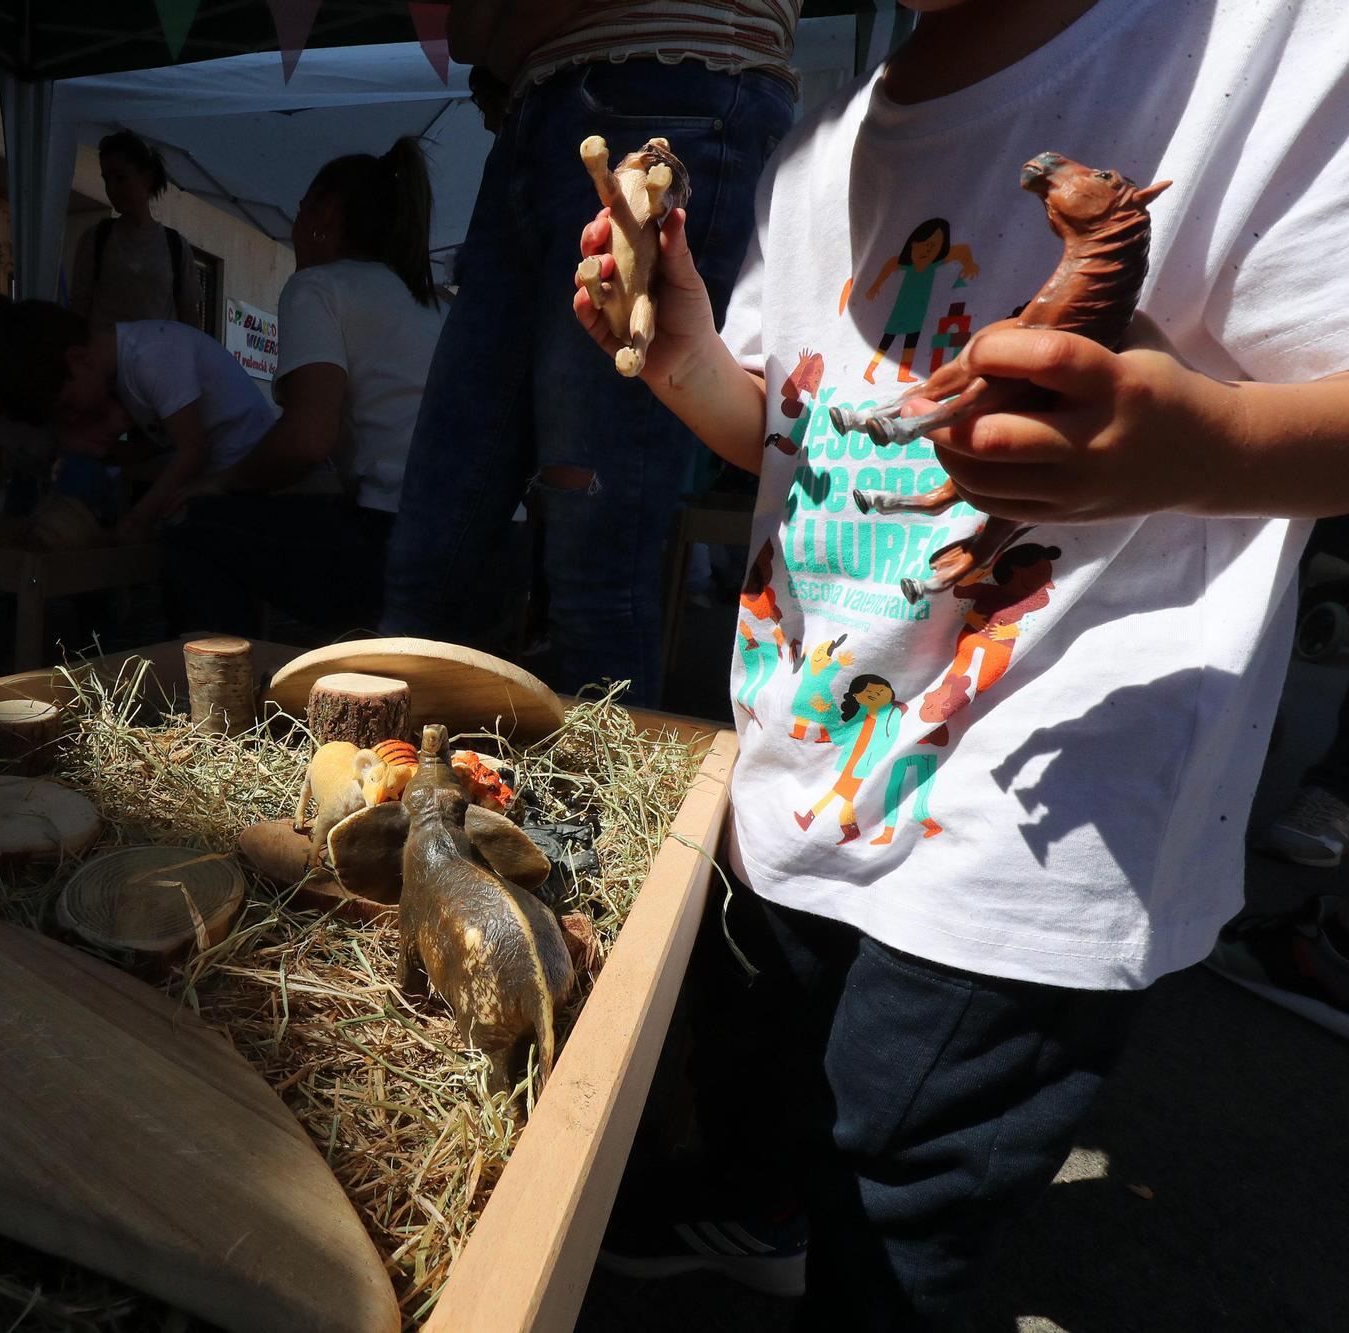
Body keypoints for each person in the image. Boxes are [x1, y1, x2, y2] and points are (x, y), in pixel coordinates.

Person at [571, 0, 1349, 1325]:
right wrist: (690, 354)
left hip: (1029, 811)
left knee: (899, 1176)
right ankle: (762, 1203)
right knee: (766, 1038)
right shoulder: (828, 148)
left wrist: (1210, 446)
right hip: (802, 757)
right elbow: (800, 427)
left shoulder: (1277, 51)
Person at [380, 0, 797, 706]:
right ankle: (390, 794)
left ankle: (606, 810)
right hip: (559, 105)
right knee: (434, 551)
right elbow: (468, 32)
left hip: (666, 84)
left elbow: (474, 31)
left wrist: (504, 37)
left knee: (593, 566)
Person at [158, 137, 445, 639]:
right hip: (494, 554)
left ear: (324, 216)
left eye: (298, 214)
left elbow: (309, 440)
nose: (293, 232)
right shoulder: (435, 302)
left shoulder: (320, 286)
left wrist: (223, 482)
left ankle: (226, 704)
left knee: (189, 525)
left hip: (402, 554)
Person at [0, 296, 275, 547]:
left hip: (249, 469)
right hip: (215, 474)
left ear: (79, 361)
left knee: (197, 553)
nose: (72, 415)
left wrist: (138, 517)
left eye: (68, 405)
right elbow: (158, 448)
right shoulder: (120, 373)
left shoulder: (151, 357)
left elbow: (191, 450)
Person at [68, 131, 203, 329]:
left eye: (120, 178)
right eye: (106, 179)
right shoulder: (94, 239)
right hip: (106, 358)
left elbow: (190, 318)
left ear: (147, 179)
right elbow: (78, 311)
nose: (111, 188)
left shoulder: (176, 246)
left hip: (158, 358)